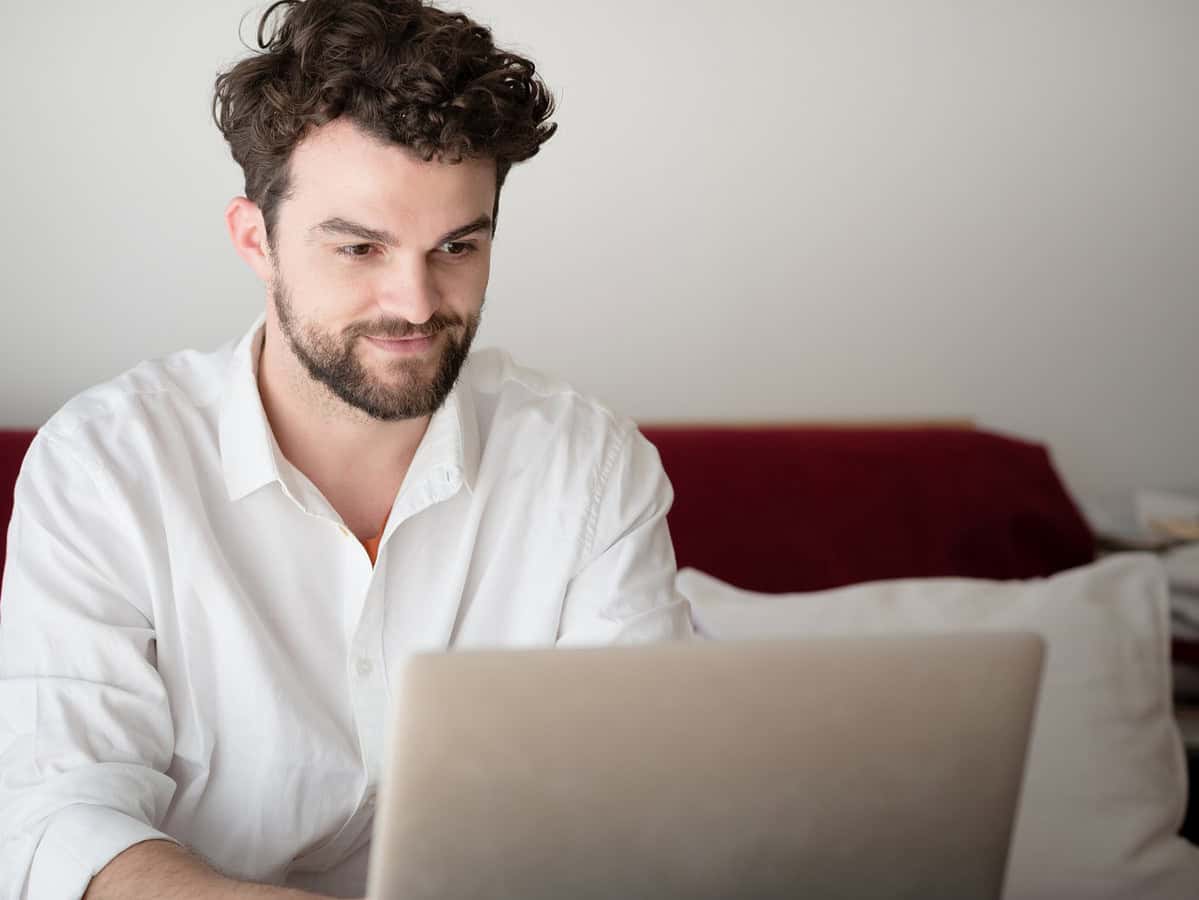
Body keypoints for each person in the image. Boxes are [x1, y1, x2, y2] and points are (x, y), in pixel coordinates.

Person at [0, 1, 693, 897]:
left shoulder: (589, 468)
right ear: (256, 239)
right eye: (360, 247)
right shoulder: (104, 465)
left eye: (457, 246)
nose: (413, 301)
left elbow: (644, 802)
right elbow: (53, 813)